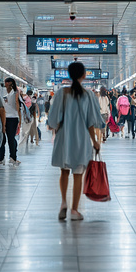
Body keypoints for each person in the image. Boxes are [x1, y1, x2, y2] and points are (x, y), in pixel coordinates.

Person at [47, 62, 103, 221]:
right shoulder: (89, 95)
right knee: (78, 174)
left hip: (64, 137)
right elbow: (91, 122)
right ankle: (74, 210)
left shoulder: (61, 93)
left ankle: (63, 202)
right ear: (83, 75)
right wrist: (95, 141)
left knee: (64, 171)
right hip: (82, 139)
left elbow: (53, 120)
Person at [0, 78, 22, 166]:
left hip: (13, 118)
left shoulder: (15, 93)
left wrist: (20, 119)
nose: (6, 84)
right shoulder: (3, 92)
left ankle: (13, 157)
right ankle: (0, 158)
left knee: (11, 138)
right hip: (3, 117)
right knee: (1, 138)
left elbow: (18, 106)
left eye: (7, 83)